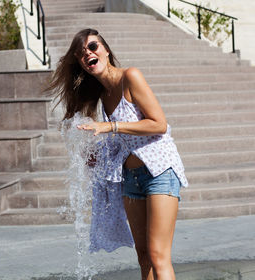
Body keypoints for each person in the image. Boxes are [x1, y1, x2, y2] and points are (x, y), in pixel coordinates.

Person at [47, 28, 188, 280]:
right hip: (131, 178)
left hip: (160, 171)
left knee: (158, 255)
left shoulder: (130, 77)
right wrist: (94, 156)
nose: (88, 54)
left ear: (106, 50)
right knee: (143, 256)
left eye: (92, 47)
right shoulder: (102, 95)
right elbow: (121, 141)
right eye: (81, 54)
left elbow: (159, 124)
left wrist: (109, 126)